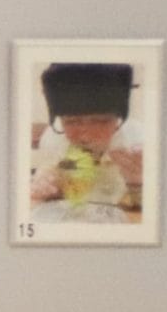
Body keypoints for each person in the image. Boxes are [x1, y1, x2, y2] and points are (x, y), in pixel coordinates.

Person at [26, 63, 142, 222]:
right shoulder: (53, 139)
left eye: (100, 121)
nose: (86, 135)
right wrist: (45, 185)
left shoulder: (137, 142)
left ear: (118, 119)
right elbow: (47, 176)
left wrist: (138, 184)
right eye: (72, 122)